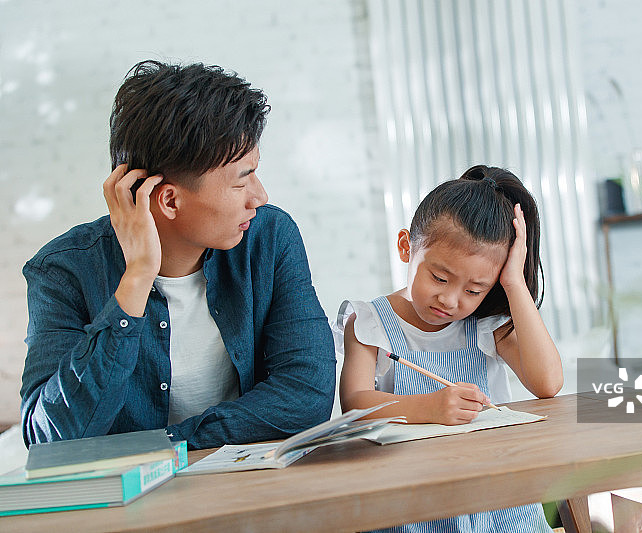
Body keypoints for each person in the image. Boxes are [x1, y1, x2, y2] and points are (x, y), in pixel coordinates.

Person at [20, 60, 336, 450]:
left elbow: (307, 395)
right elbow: (48, 436)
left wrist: (166, 444)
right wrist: (136, 279)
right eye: (242, 180)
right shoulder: (63, 270)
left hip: (246, 482)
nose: (260, 196)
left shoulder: (268, 237)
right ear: (169, 200)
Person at [337, 165, 563, 532]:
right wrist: (429, 406)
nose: (451, 300)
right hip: (410, 505)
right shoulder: (370, 322)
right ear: (406, 247)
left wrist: (514, 282)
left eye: (474, 290)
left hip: (497, 501)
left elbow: (548, 382)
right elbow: (355, 405)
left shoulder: (485, 324)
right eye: (439, 278)